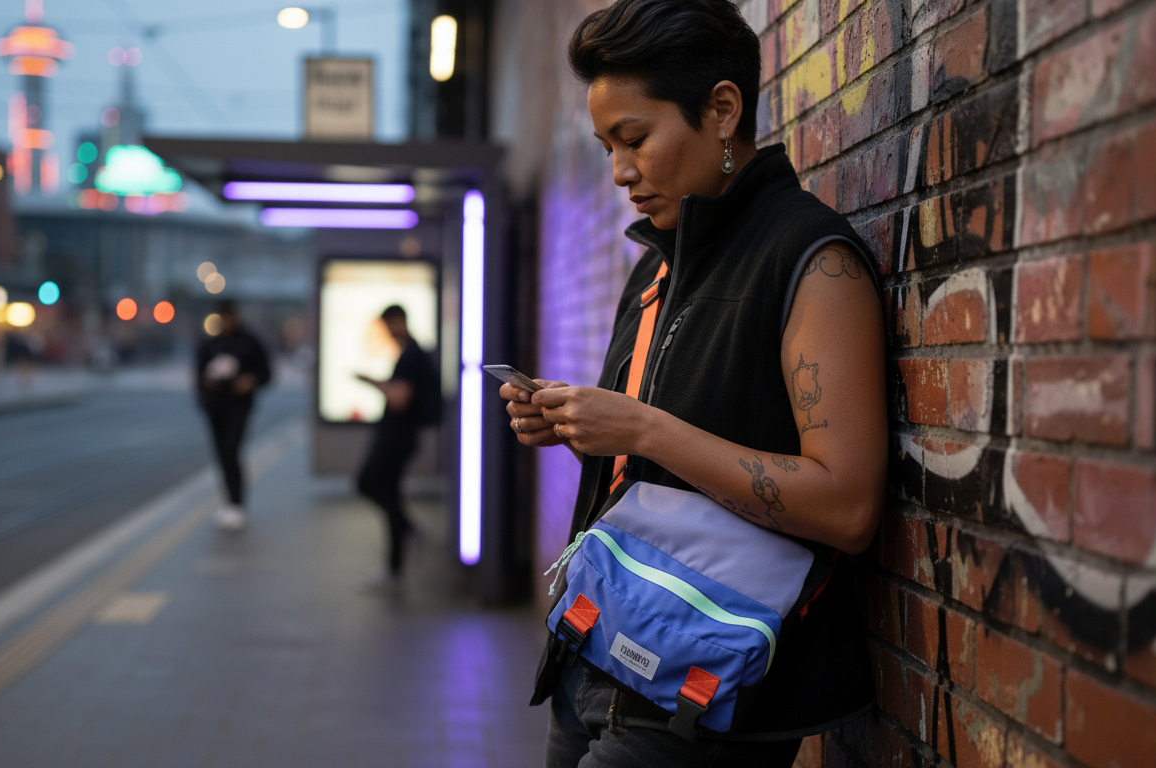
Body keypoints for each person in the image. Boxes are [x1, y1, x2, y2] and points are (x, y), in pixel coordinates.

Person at [500, 2, 888, 766]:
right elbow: (674, 475)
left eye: (636, 139)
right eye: (607, 145)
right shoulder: (657, 266)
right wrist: (587, 430)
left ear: (721, 110)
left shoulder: (812, 260)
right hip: (594, 646)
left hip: (703, 695)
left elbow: (846, 506)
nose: (620, 171)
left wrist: (641, 429)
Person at [355, 305, 439, 587]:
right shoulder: (412, 352)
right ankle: (405, 534)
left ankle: (396, 561)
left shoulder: (412, 354)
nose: (388, 332)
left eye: (388, 325)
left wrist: (372, 382)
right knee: (376, 487)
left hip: (398, 434)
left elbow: (399, 398)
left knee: (378, 487)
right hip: (399, 434)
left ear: (398, 321)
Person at [196, 300, 272, 532]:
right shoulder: (209, 344)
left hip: (239, 407)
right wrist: (205, 397)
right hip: (215, 407)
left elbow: (267, 373)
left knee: (232, 450)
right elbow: (198, 376)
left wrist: (250, 381)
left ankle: (237, 503)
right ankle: (229, 502)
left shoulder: (249, 342)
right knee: (221, 455)